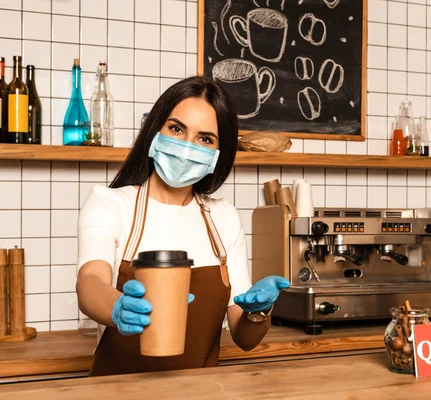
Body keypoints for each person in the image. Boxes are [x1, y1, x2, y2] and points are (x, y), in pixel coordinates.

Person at [76, 76, 289, 376]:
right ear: (154, 132)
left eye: (205, 139)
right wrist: (117, 307)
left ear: (218, 154)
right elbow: (90, 283)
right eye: (176, 129)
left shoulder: (223, 218)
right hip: (117, 393)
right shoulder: (111, 204)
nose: (186, 146)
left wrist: (259, 313)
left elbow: (244, 338)